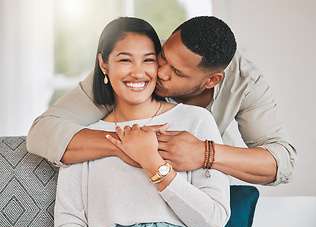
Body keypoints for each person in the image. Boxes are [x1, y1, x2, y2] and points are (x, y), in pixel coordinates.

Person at [26, 16, 296, 186]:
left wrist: (205, 153)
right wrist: (132, 146)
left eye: (177, 72)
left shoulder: (245, 81)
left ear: (211, 81)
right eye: (163, 56)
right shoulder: (137, 67)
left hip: (208, 186)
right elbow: (43, 131)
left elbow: (281, 162)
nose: (160, 72)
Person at [52, 17, 230, 227]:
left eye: (148, 60)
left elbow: (213, 224)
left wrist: (152, 162)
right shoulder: (85, 137)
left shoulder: (196, 121)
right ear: (103, 64)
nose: (138, 73)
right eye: (125, 60)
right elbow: (67, 226)